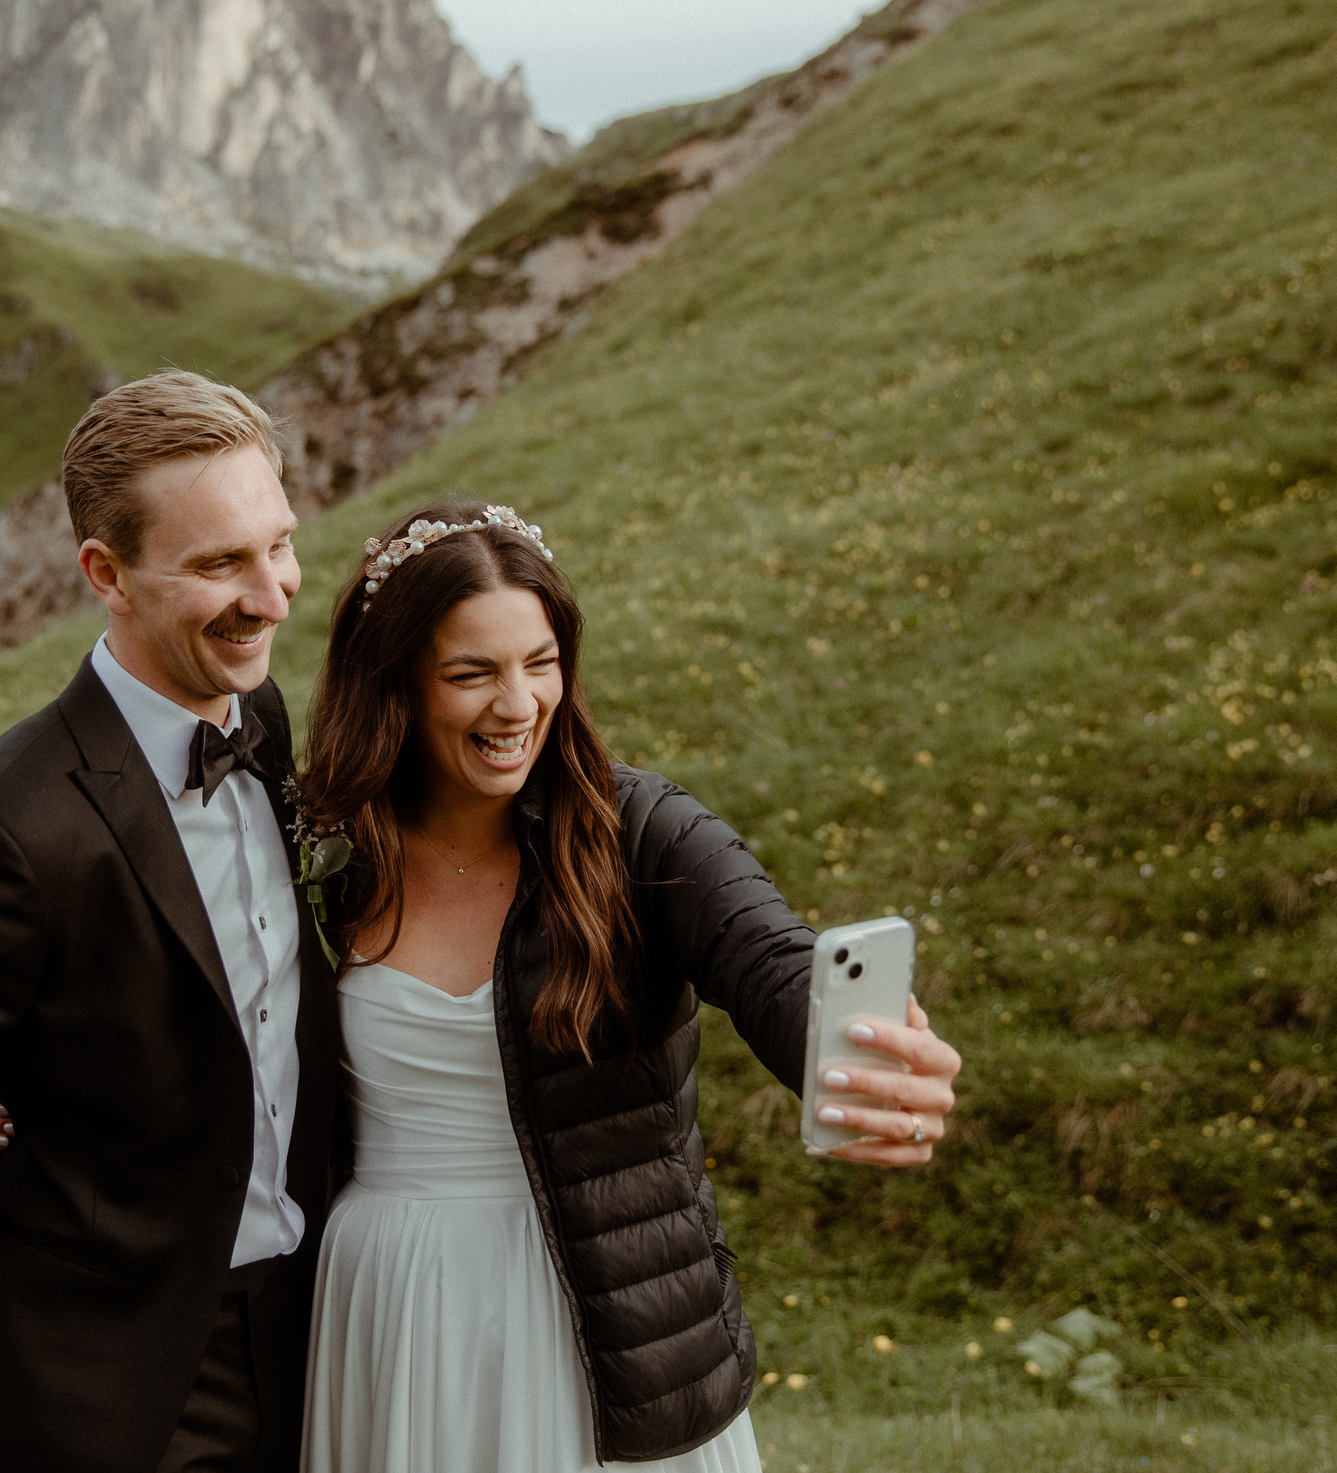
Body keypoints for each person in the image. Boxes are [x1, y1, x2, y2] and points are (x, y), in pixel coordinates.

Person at [292, 499, 962, 1471]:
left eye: (539, 663)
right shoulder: (326, 846)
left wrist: (851, 1050)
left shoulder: (641, 830)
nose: (516, 703)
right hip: (390, 1302)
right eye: (471, 673)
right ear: (394, 680)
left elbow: (768, 960)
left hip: (602, 1311)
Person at [0, 370, 340, 1473]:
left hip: (306, 1336)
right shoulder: (3, 830)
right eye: (218, 564)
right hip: (103, 1386)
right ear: (108, 575)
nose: (274, 595)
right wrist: (43, 1199)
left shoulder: (263, 719)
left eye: (276, 545)